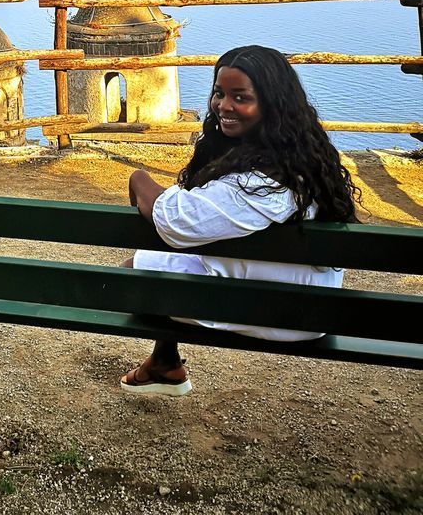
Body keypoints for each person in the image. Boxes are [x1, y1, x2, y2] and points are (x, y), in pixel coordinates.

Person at [119, 44, 359, 397]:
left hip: (283, 314)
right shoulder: (302, 160)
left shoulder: (262, 183)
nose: (223, 106)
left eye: (240, 97)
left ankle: (163, 362)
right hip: (303, 300)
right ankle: (164, 363)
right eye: (219, 93)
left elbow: (173, 222)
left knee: (131, 273)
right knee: (168, 263)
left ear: (271, 104)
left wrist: (138, 178)